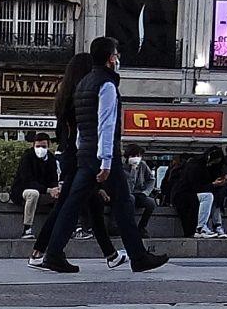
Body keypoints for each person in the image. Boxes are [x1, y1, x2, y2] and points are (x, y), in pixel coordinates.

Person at [31, 36, 166, 274]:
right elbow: (106, 124)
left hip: (85, 154)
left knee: (72, 204)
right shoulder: (107, 85)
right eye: (116, 54)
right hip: (103, 156)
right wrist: (106, 161)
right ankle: (138, 257)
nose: (117, 58)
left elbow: (83, 127)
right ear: (109, 58)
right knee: (123, 204)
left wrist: (86, 151)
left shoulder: (83, 84)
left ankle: (53, 253)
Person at [12, 131, 61, 230]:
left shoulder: (51, 159)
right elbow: (27, 181)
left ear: (48, 146)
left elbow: (53, 178)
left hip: (43, 191)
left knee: (62, 195)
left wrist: (55, 189)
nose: (40, 149)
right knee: (33, 194)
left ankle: (58, 228)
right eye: (37, 146)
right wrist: (48, 190)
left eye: (43, 146)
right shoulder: (27, 157)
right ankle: (27, 228)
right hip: (23, 191)